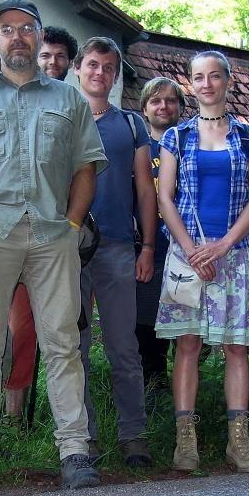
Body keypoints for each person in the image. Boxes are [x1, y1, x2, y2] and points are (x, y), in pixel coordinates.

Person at [0, 0, 107, 493]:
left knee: (64, 344)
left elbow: (84, 167)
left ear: (38, 36)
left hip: (54, 236)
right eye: (7, 29)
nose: (18, 37)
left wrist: (73, 226)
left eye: (27, 29)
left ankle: (74, 451)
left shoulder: (68, 99)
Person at [156, 50, 249, 474]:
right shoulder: (176, 138)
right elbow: (165, 198)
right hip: (187, 256)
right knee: (187, 345)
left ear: (227, 81)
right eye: (199, 77)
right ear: (191, 83)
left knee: (235, 347)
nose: (207, 84)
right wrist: (190, 249)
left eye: (215, 76)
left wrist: (223, 247)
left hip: (235, 255)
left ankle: (239, 443)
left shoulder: (248, 135)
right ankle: (187, 444)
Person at [71, 37, 157, 467]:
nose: (99, 73)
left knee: (123, 346)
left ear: (115, 74)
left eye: (108, 66)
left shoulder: (131, 125)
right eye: (92, 65)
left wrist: (148, 245)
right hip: (69, 249)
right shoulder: (63, 117)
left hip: (121, 246)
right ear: (78, 69)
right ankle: (80, 440)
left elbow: (145, 187)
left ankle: (134, 435)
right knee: (75, 347)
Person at [4, 26, 79, 419]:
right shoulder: (7, 101)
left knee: (62, 333)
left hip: (58, 238)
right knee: (16, 331)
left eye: (61, 57)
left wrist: (73, 225)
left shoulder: (73, 108)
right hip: (8, 234)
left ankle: (63, 421)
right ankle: (12, 414)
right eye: (47, 55)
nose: (53, 63)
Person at [134, 77, 184, 390]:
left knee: (183, 317)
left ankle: (184, 380)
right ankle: (152, 379)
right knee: (146, 315)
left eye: (170, 100)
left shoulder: (191, 145)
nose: (163, 106)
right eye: (156, 101)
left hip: (185, 245)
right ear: (144, 109)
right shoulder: (138, 148)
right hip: (148, 245)